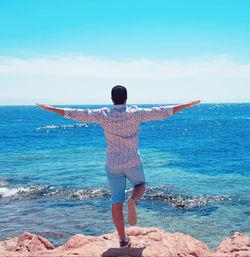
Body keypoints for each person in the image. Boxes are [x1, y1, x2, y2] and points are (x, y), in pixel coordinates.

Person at [37, 85, 201, 247]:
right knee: (141, 185)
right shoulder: (135, 113)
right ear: (126, 99)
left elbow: (77, 114)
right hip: (132, 161)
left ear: (111, 99)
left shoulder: (103, 114)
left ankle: (123, 240)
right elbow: (162, 112)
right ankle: (134, 201)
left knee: (116, 201)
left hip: (113, 164)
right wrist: (185, 105)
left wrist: (51, 108)